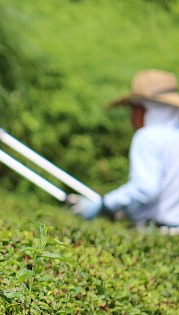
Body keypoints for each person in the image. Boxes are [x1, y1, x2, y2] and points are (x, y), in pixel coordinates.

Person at [71, 69, 179, 233]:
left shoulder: (147, 137)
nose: (131, 117)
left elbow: (146, 189)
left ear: (147, 109)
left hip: (158, 231)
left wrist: (105, 204)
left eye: (134, 109)